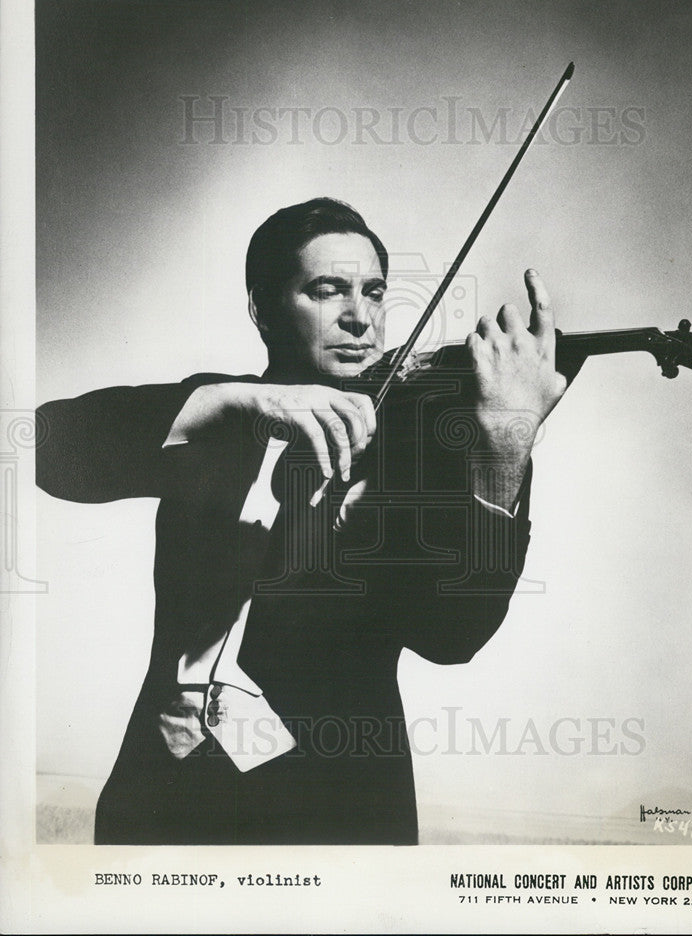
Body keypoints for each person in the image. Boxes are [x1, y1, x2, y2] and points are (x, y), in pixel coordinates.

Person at [36, 197, 566, 844]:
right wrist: (239, 402)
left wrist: (505, 445)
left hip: (334, 818)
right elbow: (42, 450)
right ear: (263, 309)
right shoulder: (219, 420)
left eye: (374, 293)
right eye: (327, 290)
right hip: (163, 808)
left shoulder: (418, 459)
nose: (360, 319)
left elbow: (453, 637)